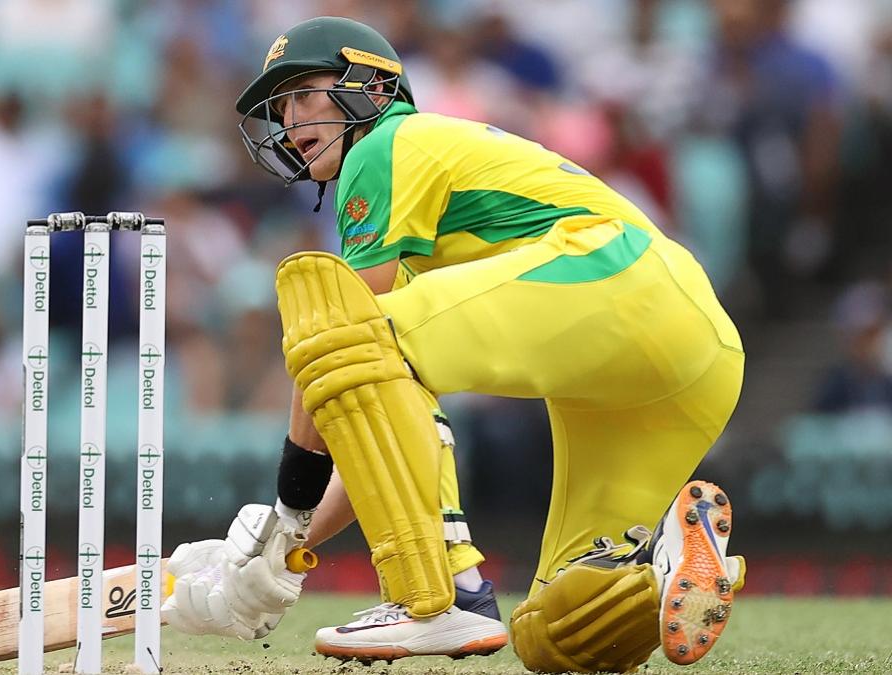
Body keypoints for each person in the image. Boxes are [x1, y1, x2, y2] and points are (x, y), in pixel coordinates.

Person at [161, 17, 745, 673]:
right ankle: (663, 567)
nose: (290, 120)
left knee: (338, 331)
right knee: (561, 633)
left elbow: (338, 348)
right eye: (282, 104)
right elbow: (380, 439)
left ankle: (444, 594)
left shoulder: (383, 145)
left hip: (619, 275)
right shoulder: (416, 239)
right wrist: (279, 555)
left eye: (304, 93)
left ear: (370, 88)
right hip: (688, 346)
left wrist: (286, 517)